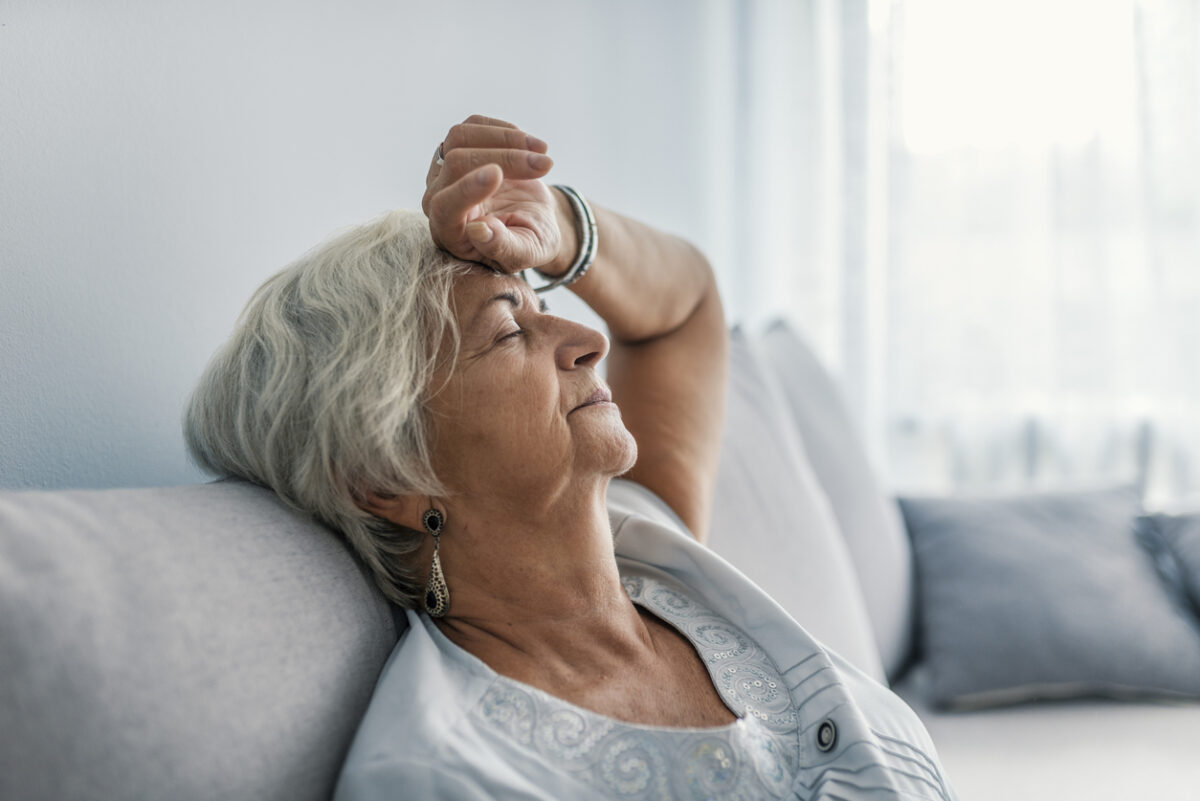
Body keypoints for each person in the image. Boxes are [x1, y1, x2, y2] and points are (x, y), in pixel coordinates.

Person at [185, 115, 955, 800]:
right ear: (386, 474)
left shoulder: (653, 542)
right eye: (509, 330)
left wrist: (557, 228)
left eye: (545, 307)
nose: (591, 341)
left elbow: (682, 306)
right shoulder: (450, 774)